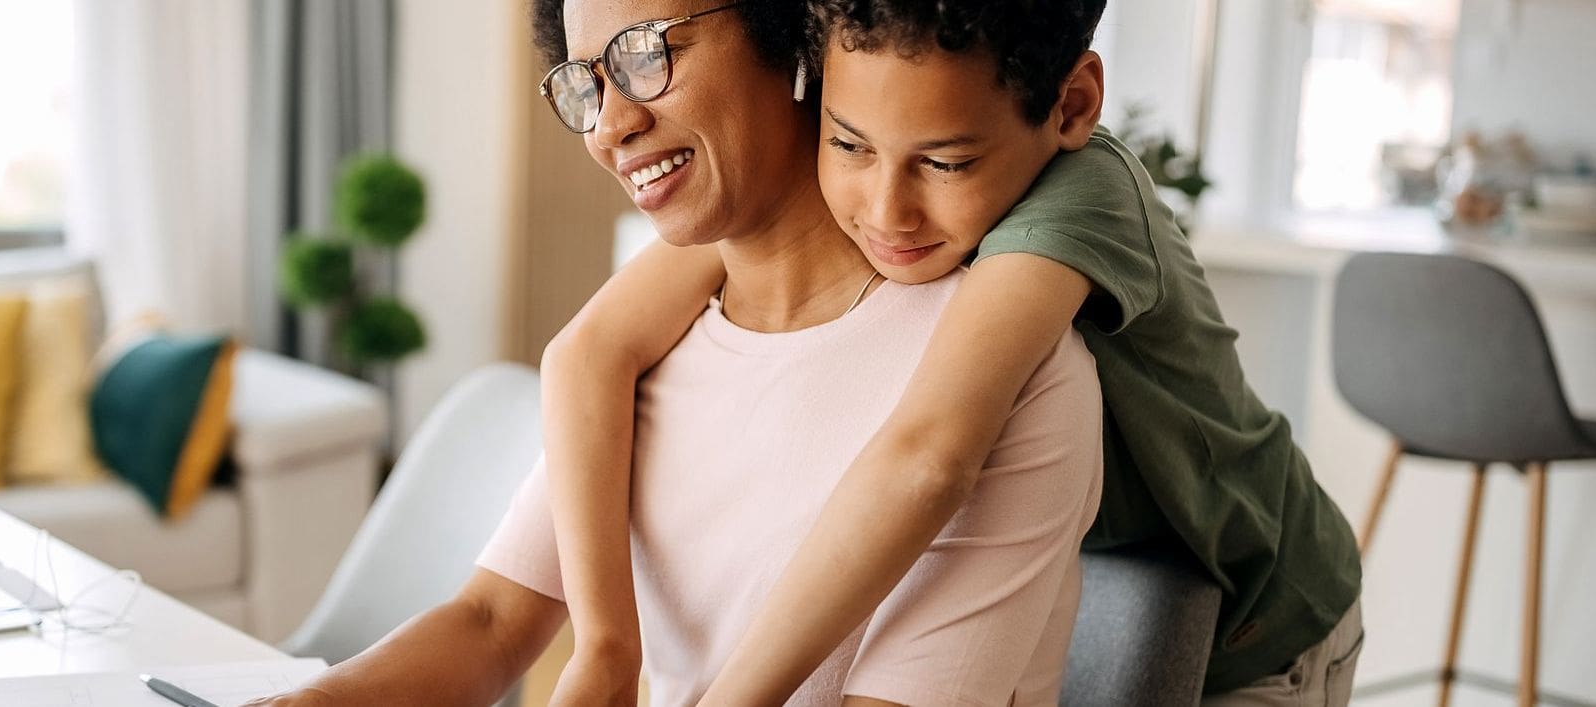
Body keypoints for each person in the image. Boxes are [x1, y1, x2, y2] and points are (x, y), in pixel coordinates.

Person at [247, 1, 1103, 704]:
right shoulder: (642, 349)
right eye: (586, 82)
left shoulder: (1003, 375)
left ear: (794, 39)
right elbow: (492, 622)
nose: (611, 123)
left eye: (647, 53)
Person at [543, 1, 1366, 704]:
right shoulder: (875, 138)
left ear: (1074, 106)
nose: (884, 213)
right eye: (847, 143)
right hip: (1087, 564)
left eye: (945, 162)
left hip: (1259, 617)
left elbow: (929, 453)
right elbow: (586, 352)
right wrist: (606, 647)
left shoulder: (1082, 199)